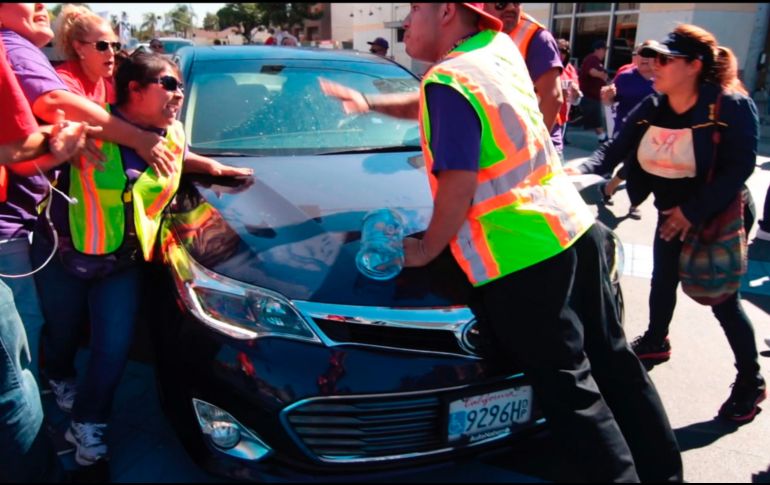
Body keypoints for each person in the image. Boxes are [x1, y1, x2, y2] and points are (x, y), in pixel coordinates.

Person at [321, 3, 682, 482]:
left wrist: (428, 247)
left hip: (523, 255)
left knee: (572, 398)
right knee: (616, 366)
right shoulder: (494, 51)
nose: (406, 20)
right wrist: (372, 104)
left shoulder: (448, 79)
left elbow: (458, 180)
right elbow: (444, 110)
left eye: (413, 9)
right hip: (574, 229)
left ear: (447, 10)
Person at [31, 51, 251, 467]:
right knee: (61, 335)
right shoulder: (90, 123)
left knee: (112, 347)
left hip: (122, 262)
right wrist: (63, 145)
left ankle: (88, 422)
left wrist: (212, 168)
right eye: (169, 85)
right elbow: (40, 140)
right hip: (63, 252)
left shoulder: (173, 134)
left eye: (181, 87)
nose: (179, 94)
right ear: (133, 89)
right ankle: (59, 376)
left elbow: (174, 159)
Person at [575, 25, 765, 422]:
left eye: (664, 59)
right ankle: (657, 340)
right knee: (663, 278)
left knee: (722, 300)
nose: (652, 65)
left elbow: (739, 169)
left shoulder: (728, 106)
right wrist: (575, 178)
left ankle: (750, 381)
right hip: (669, 209)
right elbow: (614, 148)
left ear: (694, 66)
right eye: (653, 58)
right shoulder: (654, 105)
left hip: (717, 212)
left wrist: (691, 213)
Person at [1, 32, 100, 482]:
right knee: (16, 365)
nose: (111, 54)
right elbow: (17, 151)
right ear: (78, 46)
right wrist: (59, 142)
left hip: (20, 230)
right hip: (9, 237)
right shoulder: (12, 49)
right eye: (101, 45)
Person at [482, 3, 564, 150]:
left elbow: (553, 97)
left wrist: (533, 148)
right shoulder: (476, 30)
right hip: (498, 143)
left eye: (516, 2)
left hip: (534, 148)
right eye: (502, 2)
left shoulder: (537, 38)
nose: (511, 8)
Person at [599, 40, 656, 215]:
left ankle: (615, 191)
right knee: (632, 164)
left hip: (651, 134)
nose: (644, 58)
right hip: (625, 131)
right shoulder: (625, 77)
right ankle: (626, 197)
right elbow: (610, 102)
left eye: (650, 54)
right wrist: (607, 98)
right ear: (635, 57)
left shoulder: (663, 79)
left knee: (638, 167)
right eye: (641, 53)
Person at [53, 5, 118, 107]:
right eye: (102, 46)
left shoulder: (110, 83)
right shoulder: (62, 82)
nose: (111, 52)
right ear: (79, 48)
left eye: (114, 45)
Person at [579, 39, 610, 144]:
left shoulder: (597, 62)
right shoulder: (591, 59)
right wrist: (603, 75)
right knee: (596, 121)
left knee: (596, 120)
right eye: (604, 50)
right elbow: (592, 72)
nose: (605, 53)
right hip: (589, 96)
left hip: (595, 97)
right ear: (598, 49)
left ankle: (603, 138)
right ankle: (603, 140)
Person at [556, 38, 582, 160]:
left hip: (561, 118)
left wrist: (576, 93)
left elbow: (575, 100)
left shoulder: (570, 69)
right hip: (542, 116)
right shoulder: (542, 66)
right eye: (557, 49)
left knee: (556, 152)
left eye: (564, 51)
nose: (560, 54)